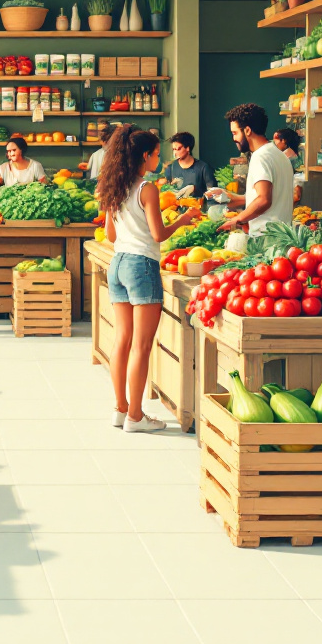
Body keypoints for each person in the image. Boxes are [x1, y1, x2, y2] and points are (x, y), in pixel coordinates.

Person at [98, 126, 198, 434]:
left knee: (122, 341)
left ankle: (121, 409)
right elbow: (158, 235)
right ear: (144, 156)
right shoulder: (147, 189)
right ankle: (136, 416)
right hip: (141, 265)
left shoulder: (114, 186)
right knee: (141, 346)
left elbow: (110, 234)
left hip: (118, 264)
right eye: (156, 153)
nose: (159, 158)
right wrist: (182, 220)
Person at [207, 103, 294, 236]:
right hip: (281, 236)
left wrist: (237, 220)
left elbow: (264, 200)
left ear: (247, 130)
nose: (234, 138)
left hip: (265, 238)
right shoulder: (278, 155)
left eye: (235, 133)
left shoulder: (260, 157)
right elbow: (271, 195)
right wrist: (229, 197)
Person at [163, 131, 214, 197]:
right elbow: (165, 193)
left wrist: (195, 189)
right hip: (176, 203)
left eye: (178, 149)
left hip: (198, 203)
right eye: (173, 149)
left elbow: (213, 194)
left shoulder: (203, 168)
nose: (175, 153)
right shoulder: (171, 168)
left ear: (187, 148)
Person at [274, 128, 304, 205]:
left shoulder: (286, 156)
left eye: (276, 139)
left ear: (283, 140)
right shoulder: (292, 153)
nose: (274, 142)